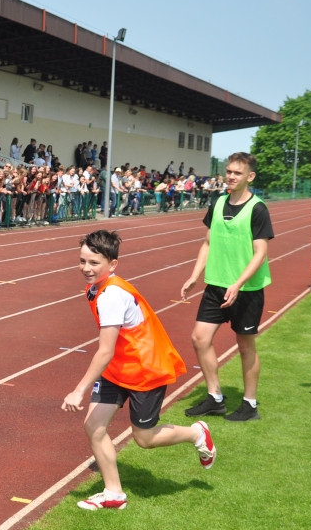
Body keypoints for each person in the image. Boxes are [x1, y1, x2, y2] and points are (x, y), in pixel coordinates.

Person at [62, 230, 215, 510]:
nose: (86, 268)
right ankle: (114, 494)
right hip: (118, 368)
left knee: (144, 438)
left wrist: (79, 390)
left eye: (94, 263)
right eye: (82, 261)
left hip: (145, 369)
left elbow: (105, 350)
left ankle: (196, 433)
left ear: (113, 264)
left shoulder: (111, 295)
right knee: (94, 427)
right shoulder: (97, 287)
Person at [181, 152, 273, 422]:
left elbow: (260, 253)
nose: (231, 177)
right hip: (216, 285)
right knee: (200, 338)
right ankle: (215, 398)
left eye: (237, 173)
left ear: (250, 177)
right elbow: (208, 243)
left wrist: (238, 283)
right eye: (229, 172)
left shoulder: (258, 208)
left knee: (245, 346)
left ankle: (250, 404)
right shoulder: (218, 202)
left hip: (246, 290)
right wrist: (194, 275)